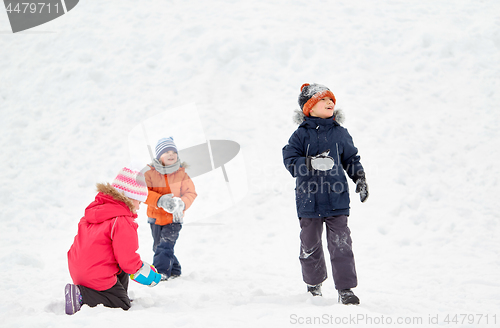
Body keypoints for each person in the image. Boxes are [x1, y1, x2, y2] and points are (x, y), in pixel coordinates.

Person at [282, 83, 369, 305]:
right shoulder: (300, 135)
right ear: (309, 108)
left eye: (332, 99)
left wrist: (359, 178)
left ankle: (345, 289)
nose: (330, 102)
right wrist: (310, 163)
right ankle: (314, 285)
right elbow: (290, 162)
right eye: (324, 100)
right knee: (310, 244)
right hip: (308, 201)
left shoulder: (340, 133)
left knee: (341, 244)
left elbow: (351, 158)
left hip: (337, 199)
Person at [66, 165, 162, 315]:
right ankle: (81, 295)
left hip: (80, 269)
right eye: (138, 202)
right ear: (129, 197)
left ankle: (114, 293)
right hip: (96, 275)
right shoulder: (122, 220)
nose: (138, 207)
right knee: (121, 305)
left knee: (120, 271)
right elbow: (127, 259)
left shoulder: (95, 210)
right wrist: (145, 273)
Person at [144, 137, 197, 280]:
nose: (171, 154)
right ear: (159, 155)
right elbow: (144, 193)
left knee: (165, 245)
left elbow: (191, 192)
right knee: (158, 247)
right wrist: (159, 200)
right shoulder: (149, 174)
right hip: (155, 217)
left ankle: (160, 272)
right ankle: (174, 269)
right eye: (166, 151)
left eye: (173, 151)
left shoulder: (182, 174)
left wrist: (183, 204)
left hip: (174, 218)